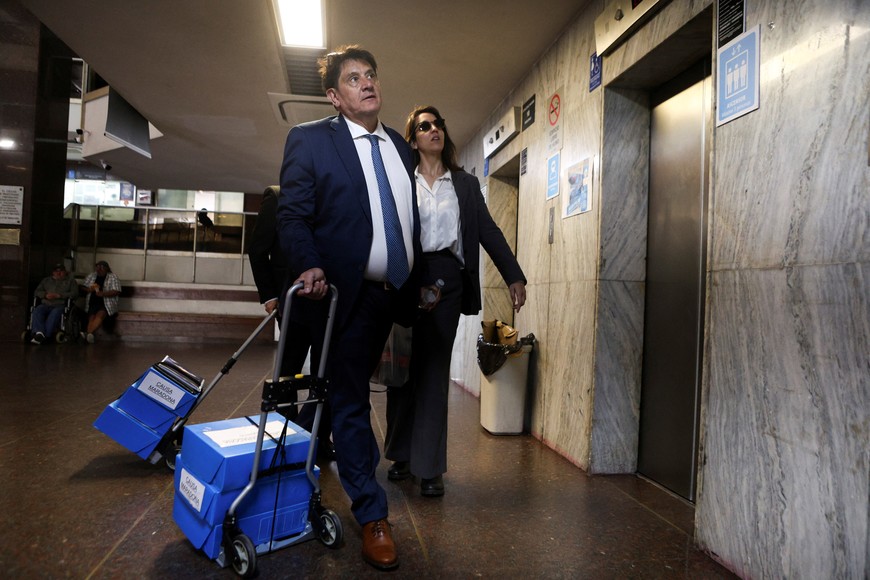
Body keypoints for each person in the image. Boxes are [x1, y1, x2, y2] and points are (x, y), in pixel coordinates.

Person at [275, 45, 422, 571]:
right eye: (354, 78)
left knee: (350, 393)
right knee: (351, 398)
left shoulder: (403, 151)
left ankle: (306, 465)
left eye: (372, 75)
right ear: (336, 97)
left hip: (398, 296)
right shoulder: (312, 141)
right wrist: (308, 264)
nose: (367, 83)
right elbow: (292, 216)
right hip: (346, 297)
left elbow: (407, 223)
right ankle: (373, 515)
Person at [384, 105, 527, 498]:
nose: (434, 130)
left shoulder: (463, 184)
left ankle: (429, 468)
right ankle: (400, 454)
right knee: (403, 369)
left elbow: (488, 230)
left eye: (438, 125)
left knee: (432, 370)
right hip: (405, 278)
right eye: (424, 126)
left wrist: (513, 274)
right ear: (413, 138)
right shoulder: (401, 181)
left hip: (447, 280)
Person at [248, 185, 335, 460]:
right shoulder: (276, 195)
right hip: (292, 299)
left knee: (326, 375)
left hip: (328, 299)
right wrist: (271, 295)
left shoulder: (331, 194)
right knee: (287, 373)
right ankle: (287, 438)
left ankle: (317, 440)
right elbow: (258, 249)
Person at [30, 263, 79, 344]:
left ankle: (45, 335)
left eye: (61, 271)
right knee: (37, 310)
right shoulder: (46, 280)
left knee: (55, 313)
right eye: (56, 271)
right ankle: (39, 333)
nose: (58, 273)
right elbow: (37, 292)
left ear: (65, 272)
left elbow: (75, 293)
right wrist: (45, 295)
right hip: (46, 303)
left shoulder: (71, 281)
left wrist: (60, 295)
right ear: (53, 272)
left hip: (60, 304)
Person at [80, 260, 122, 343]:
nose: (99, 269)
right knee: (91, 317)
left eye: (102, 267)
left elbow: (117, 291)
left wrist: (103, 294)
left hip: (106, 303)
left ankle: (87, 333)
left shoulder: (113, 277)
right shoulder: (91, 276)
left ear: (107, 268)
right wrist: (89, 289)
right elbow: (83, 287)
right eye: (98, 267)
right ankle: (89, 335)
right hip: (92, 301)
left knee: (100, 314)